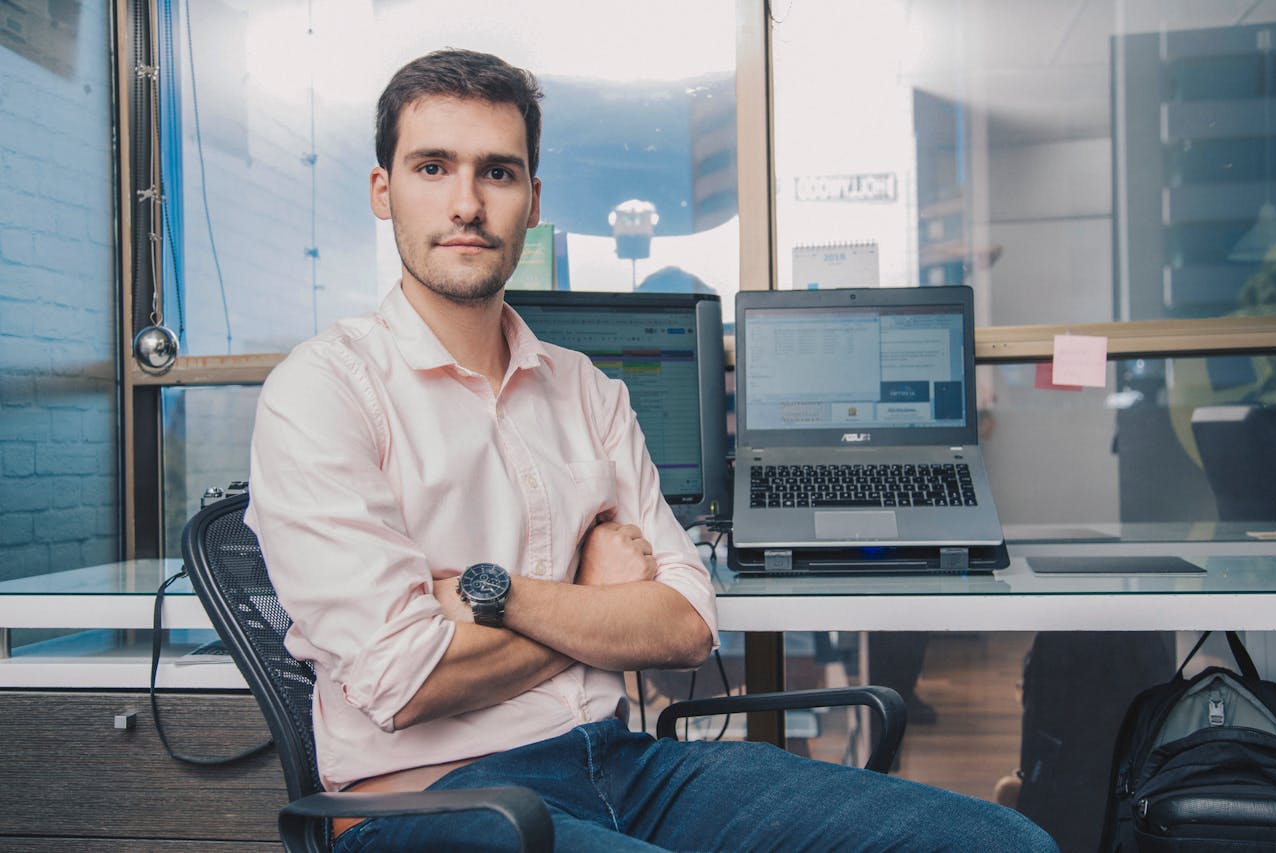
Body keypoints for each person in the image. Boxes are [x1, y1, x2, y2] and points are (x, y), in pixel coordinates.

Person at [245, 48, 1057, 852]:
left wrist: (496, 597)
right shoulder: (323, 391)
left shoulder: (587, 391)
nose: (467, 203)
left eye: (497, 172)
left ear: (532, 201)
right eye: (433, 167)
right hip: (430, 800)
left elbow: (686, 625)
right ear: (383, 191)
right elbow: (404, 676)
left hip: (624, 767)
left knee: (1000, 842)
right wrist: (594, 599)